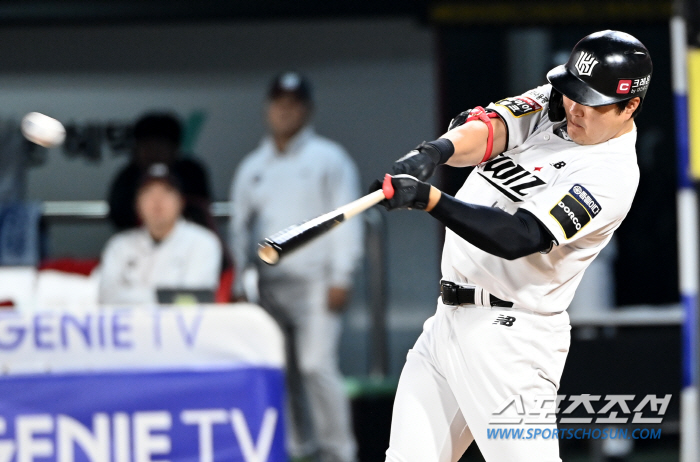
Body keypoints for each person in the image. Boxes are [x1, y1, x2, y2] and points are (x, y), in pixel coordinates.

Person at [372, 30, 652, 462]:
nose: (575, 108)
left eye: (591, 101)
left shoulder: (611, 175)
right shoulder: (560, 104)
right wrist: (434, 152)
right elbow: (489, 130)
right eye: (572, 92)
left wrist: (430, 199)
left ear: (629, 105)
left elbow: (519, 237)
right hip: (447, 321)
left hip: (512, 339)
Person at [230, 72, 363, 462]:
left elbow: (346, 218)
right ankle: (293, 448)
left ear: (307, 109)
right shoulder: (252, 166)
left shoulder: (329, 158)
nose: (285, 111)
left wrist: (342, 275)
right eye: (279, 103)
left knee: (315, 365)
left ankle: (339, 452)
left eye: (293, 104)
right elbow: (238, 229)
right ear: (268, 109)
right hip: (270, 284)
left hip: (317, 281)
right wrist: (240, 282)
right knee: (279, 369)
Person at [100, 163, 222, 305]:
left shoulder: (204, 242)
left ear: (181, 201)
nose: (157, 200)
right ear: (136, 204)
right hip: (129, 325)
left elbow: (194, 299)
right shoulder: (119, 245)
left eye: (167, 191)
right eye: (148, 192)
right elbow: (106, 297)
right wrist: (160, 297)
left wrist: (134, 296)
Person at [107, 112, 212, 230]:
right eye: (147, 145)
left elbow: (201, 211)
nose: (153, 152)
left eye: (160, 145)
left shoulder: (191, 173)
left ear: (175, 149)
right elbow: (119, 215)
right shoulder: (128, 176)